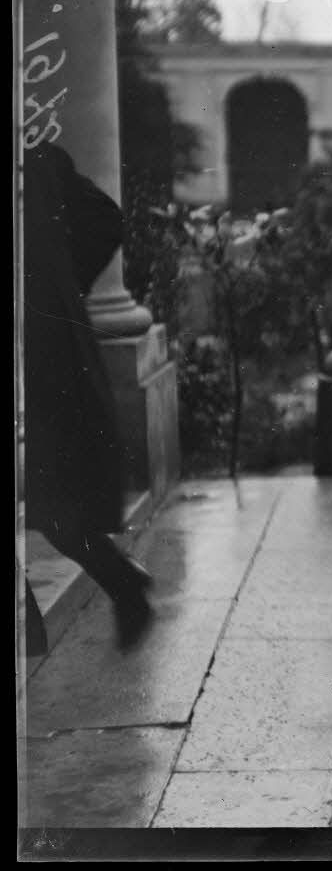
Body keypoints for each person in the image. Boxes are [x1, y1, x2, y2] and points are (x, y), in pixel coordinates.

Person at [21, 143, 154, 653]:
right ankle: (118, 583)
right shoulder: (36, 156)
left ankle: (37, 626)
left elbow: (103, 218)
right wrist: (59, 286)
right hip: (48, 350)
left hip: (42, 355)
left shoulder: (35, 158)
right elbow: (103, 218)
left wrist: (54, 287)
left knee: (53, 499)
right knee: (53, 500)